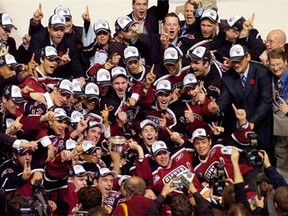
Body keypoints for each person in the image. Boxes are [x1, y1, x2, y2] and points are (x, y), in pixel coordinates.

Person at [216, 44, 273, 158]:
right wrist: (215, 108)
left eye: (239, 60)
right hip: (239, 130)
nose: (236, 64)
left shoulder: (262, 72)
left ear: (248, 57)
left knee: (266, 163)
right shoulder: (228, 77)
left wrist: (252, 122)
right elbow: (224, 100)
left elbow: (266, 101)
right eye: (234, 61)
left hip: (261, 126)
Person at [268, 49, 288, 179]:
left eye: (279, 64)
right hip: (280, 129)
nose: (275, 68)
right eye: (272, 65)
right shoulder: (269, 75)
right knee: (281, 154)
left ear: (286, 62)